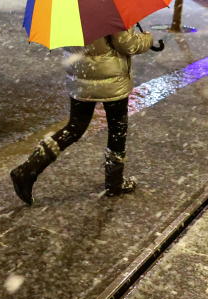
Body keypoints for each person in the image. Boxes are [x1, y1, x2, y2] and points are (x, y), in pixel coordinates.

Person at [10, 27, 158, 204]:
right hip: (111, 79)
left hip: (80, 75)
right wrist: (147, 39)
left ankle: (28, 169)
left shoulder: (68, 10)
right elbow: (128, 45)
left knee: (75, 127)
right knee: (117, 129)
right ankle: (114, 182)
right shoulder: (108, 9)